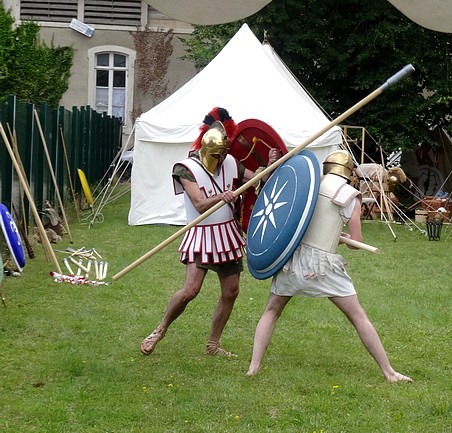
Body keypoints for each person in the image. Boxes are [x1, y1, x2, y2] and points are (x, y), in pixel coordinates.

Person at [246, 150, 413, 383]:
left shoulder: (308, 186)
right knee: (358, 317)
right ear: (348, 172)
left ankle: (254, 367)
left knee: (272, 311)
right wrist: (343, 236)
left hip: (293, 262)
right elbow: (357, 242)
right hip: (323, 265)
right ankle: (389, 372)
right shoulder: (350, 196)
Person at [140, 107, 281, 357]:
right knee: (190, 290)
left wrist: (268, 166)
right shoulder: (185, 168)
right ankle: (159, 330)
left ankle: (213, 345)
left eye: (225, 152)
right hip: (201, 236)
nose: (223, 156)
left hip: (227, 235)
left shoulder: (230, 162)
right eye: (219, 153)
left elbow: (256, 180)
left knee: (231, 291)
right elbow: (199, 203)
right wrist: (222, 196)